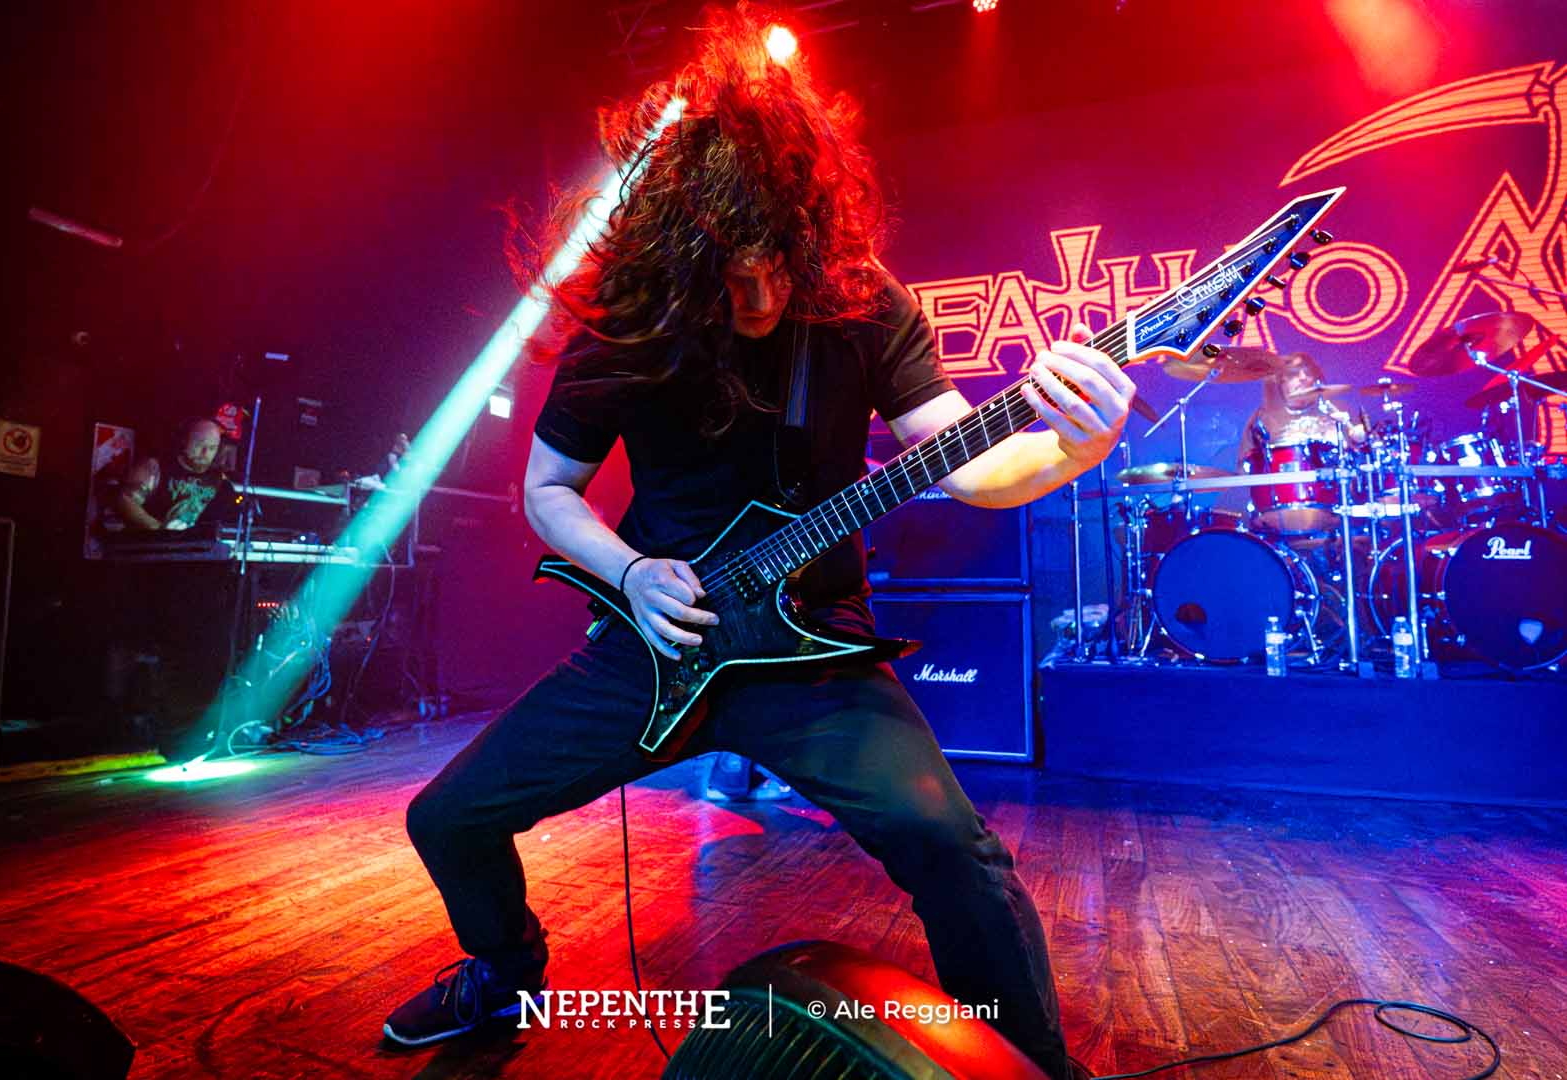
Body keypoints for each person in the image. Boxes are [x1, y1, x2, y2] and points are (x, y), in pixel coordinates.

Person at [386, 10, 1133, 1079]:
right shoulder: (632, 320)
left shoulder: (862, 302)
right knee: (448, 817)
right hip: (657, 641)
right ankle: (504, 973)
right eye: (732, 276)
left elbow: (970, 467)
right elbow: (548, 489)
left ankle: (1032, 1068)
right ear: (679, 248)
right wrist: (632, 571)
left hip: (811, 653)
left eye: (775, 263)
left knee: (955, 852)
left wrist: (1077, 443)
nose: (761, 298)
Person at [1237, 352, 1365, 469]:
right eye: (1294, 373)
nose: (1303, 377)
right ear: (1281, 380)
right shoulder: (1263, 419)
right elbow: (1247, 464)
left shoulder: (1336, 411)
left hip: (1334, 482)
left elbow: (1360, 453)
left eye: (1308, 373)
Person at [114, 416, 226, 532]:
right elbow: (125, 500)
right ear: (184, 440)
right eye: (199, 445)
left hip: (195, 542)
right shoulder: (155, 467)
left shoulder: (217, 478)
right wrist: (159, 529)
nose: (205, 453)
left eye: (212, 448)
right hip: (153, 540)